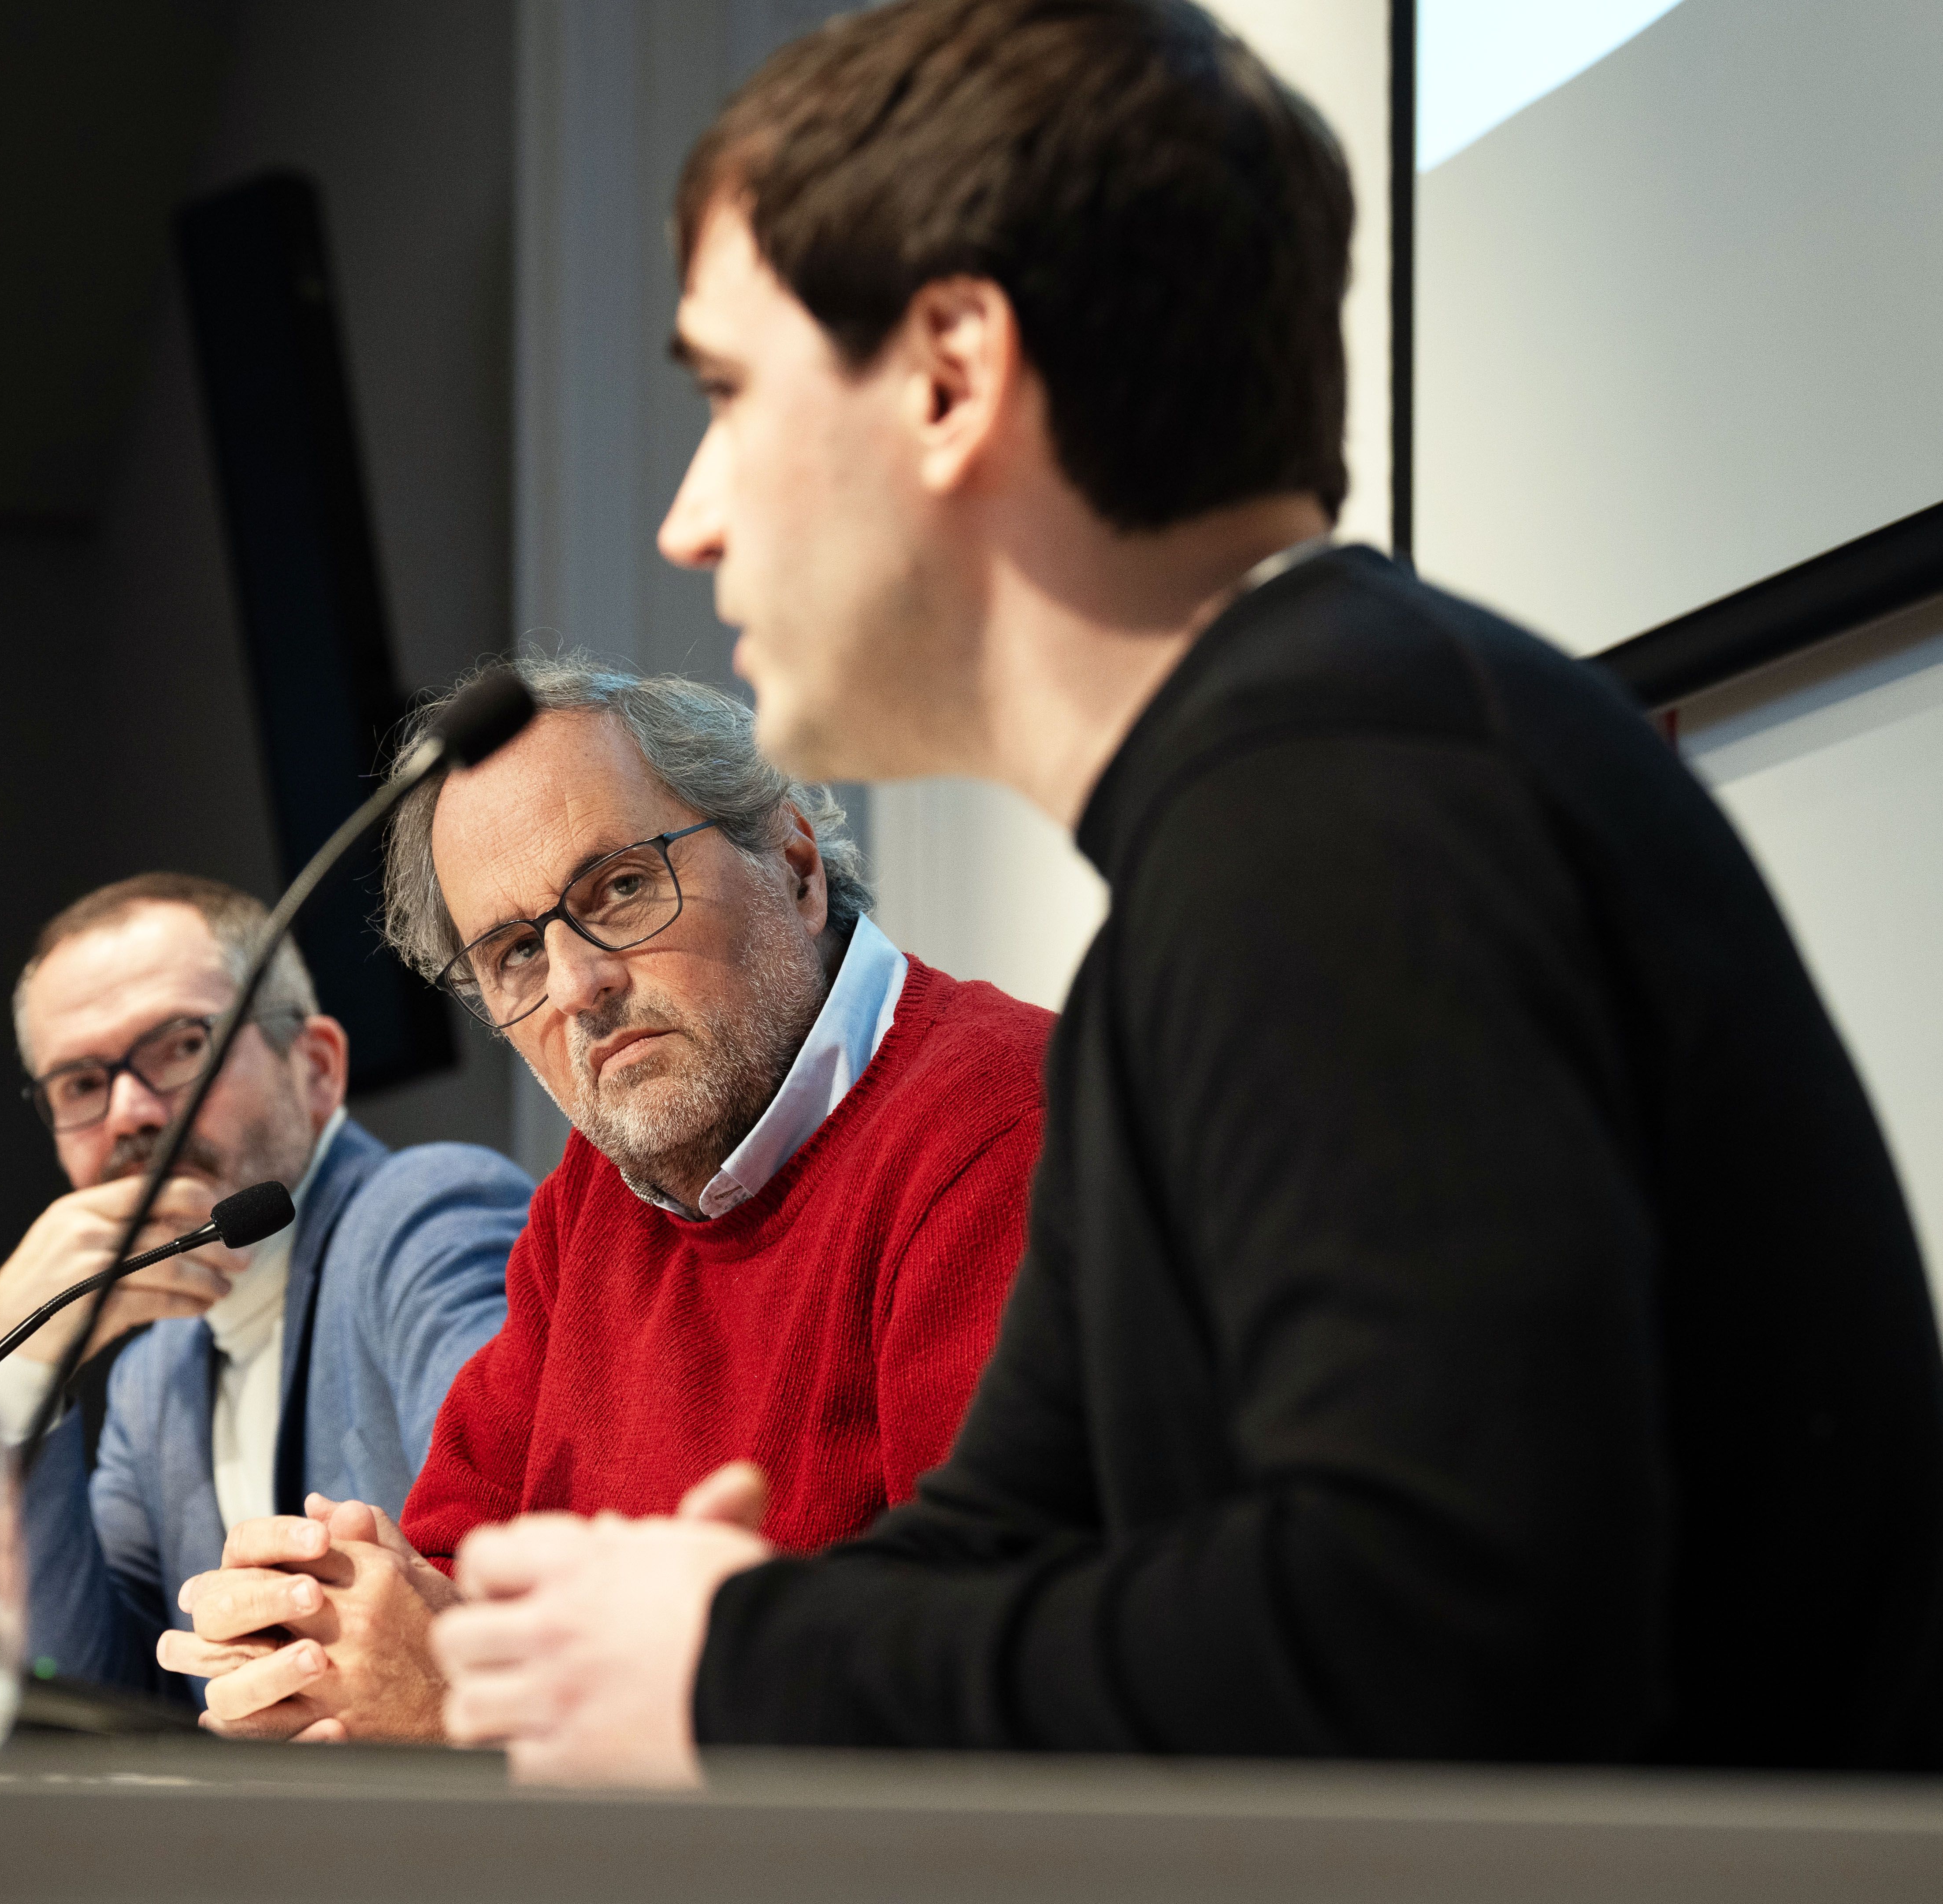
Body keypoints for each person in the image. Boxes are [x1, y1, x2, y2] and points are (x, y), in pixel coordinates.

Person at [428, 0, 1943, 1784]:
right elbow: (1021, 1531)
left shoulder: (1346, 817)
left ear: (947, 376)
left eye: (728, 395)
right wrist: (601, 1641)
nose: (688, 519)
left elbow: (1438, 1634)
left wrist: (739, 1661)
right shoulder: (1245, 835)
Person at [161, 659, 1053, 1741]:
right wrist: (333, 1629)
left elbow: (978, 1683)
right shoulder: (598, 1195)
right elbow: (458, 1564)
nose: (581, 986)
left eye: (621, 889)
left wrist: (464, 1706)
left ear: (795, 863)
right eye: (515, 952)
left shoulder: (1004, 1125)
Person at [0, 873, 532, 1704]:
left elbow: (516, 1557)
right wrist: (11, 1368)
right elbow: (96, 1697)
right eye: (82, 1084)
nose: (130, 1112)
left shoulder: (422, 1216)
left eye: (182, 1046)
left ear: (317, 1069)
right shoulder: (154, 1377)